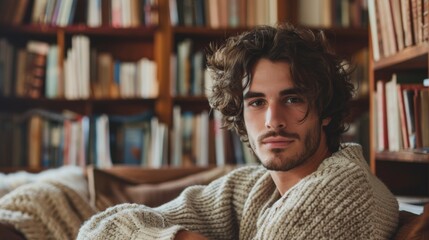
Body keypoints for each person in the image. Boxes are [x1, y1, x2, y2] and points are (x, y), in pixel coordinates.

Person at [77, 23, 399, 239]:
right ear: (240, 115)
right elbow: (99, 230)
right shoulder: (253, 188)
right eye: (257, 102)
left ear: (325, 111)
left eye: (292, 98)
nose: (274, 119)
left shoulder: (341, 189)